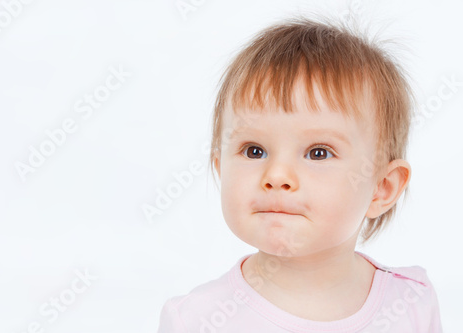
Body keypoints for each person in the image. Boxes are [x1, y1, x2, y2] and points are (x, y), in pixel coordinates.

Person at [157, 14, 443, 332]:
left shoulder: (411, 305)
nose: (277, 175)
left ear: (382, 188)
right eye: (254, 150)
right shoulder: (196, 320)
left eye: (318, 153)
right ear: (221, 169)